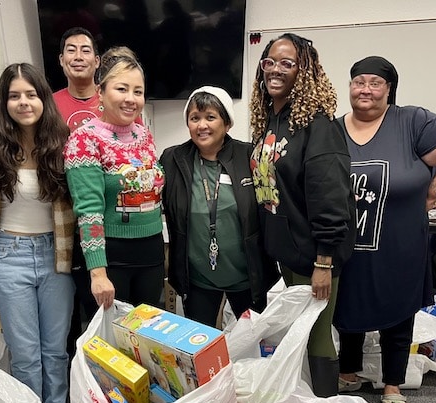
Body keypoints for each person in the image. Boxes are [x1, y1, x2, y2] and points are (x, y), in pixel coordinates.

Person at [334, 56, 436, 403]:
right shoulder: (332, 130)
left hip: (398, 243)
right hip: (350, 245)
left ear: (389, 89)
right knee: (347, 307)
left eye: (375, 83)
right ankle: (347, 373)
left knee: (397, 313)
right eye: (358, 82)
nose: (365, 89)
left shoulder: (411, 121)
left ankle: (392, 385)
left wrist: (433, 192)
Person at [249, 33, 356, 397]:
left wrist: (324, 261)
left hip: (317, 255)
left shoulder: (318, 125)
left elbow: (330, 196)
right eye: (269, 62)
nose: (275, 70)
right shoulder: (273, 119)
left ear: (304, 71)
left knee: (316, 332)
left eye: (287, 63)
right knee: (298, 330)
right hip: (289, 251)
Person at [0, 63, 75, 403]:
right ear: (4, 102)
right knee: (26, 353)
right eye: (14, 96)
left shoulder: (64, 145)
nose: (23, 102)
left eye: (31, 94)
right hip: (8, 256)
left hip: (55, 256)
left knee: (56, 350)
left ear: (43, 98)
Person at [160, 86, 278, 327]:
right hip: (198, 280)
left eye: (210, 117)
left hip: (248, 278)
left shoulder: (249, 156)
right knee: (200, 349)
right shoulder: (173, 159)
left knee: (254, 349)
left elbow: (271, 206)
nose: (202, 125)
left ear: (227, 123)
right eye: (195, 118)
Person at [64, 50, 164, 310]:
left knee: (146, 339)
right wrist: (97, 273)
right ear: (101, 92)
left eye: (138, 91)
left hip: (151, 254)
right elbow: (88, 210)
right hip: (112, 258)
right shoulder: (84, 139)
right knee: (111, 345)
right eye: (122, 89)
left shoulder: (144, 134)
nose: (131, 99)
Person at [53, 27, 101, 353]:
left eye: (85, 50)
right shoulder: (49, 104)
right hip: (61, 218)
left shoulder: (113, 99)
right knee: (66, 312)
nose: (78, 56)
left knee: (100, 308)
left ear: (97, 61)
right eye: (71, 50)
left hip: (102, 217)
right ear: (61, 60)